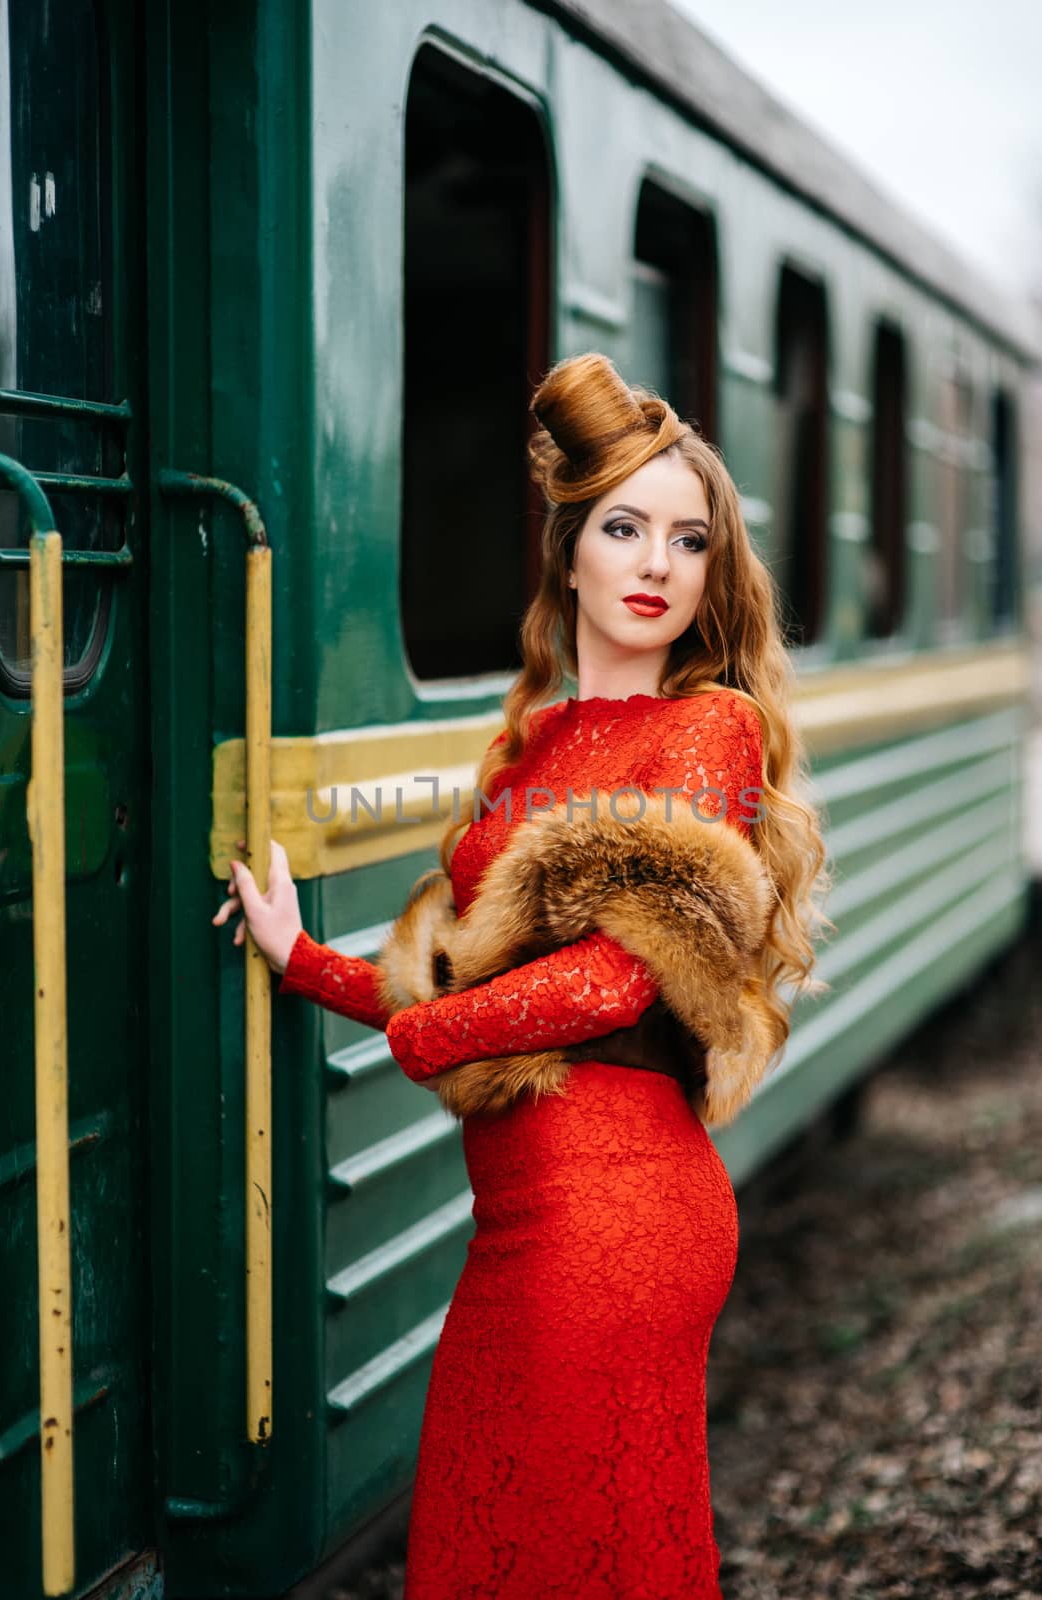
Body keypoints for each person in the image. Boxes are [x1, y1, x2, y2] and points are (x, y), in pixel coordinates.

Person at [213, 351, 830, 1598]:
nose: (656, 563)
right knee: (489, 1549)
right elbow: (450, 968)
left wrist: (428, 1036)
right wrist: (305, 959)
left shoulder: (703, 727)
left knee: (573, 1556)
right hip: (525, 1221)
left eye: (688, 539)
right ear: (572, 552)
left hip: (622, 1212)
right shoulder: (540, 740)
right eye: (624, 527)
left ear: (714, 573)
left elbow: (615, 981)